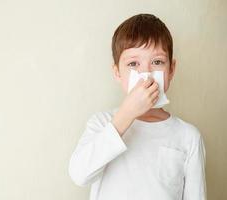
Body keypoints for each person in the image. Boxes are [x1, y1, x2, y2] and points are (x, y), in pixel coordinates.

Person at [68, 13, 207, 200]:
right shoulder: (101, 123)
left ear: (171, 69)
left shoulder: (188, 137)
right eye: (133, 64)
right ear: (117, 72)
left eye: (157, 62)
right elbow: (79, 174)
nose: (147, 74)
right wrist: (126, 114)